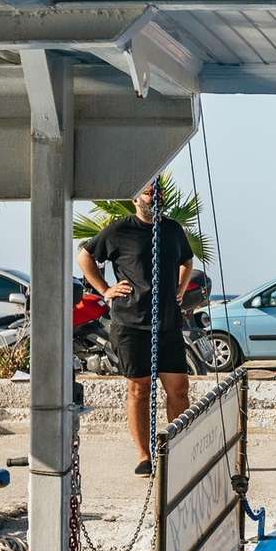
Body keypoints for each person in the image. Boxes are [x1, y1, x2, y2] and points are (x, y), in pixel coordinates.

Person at [77, 179, 192, 475]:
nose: (154, 197)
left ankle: (176, 449)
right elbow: (85, 255)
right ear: (135, 199)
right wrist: (104, 289)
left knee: (178, 388)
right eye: (149, 192)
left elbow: (186, 261)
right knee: (139, 389)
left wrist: (180, 289)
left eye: (158, 193)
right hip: (131, 323)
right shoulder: (119, 230)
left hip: (167, 323)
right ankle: (144, 455)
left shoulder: (172, 229)